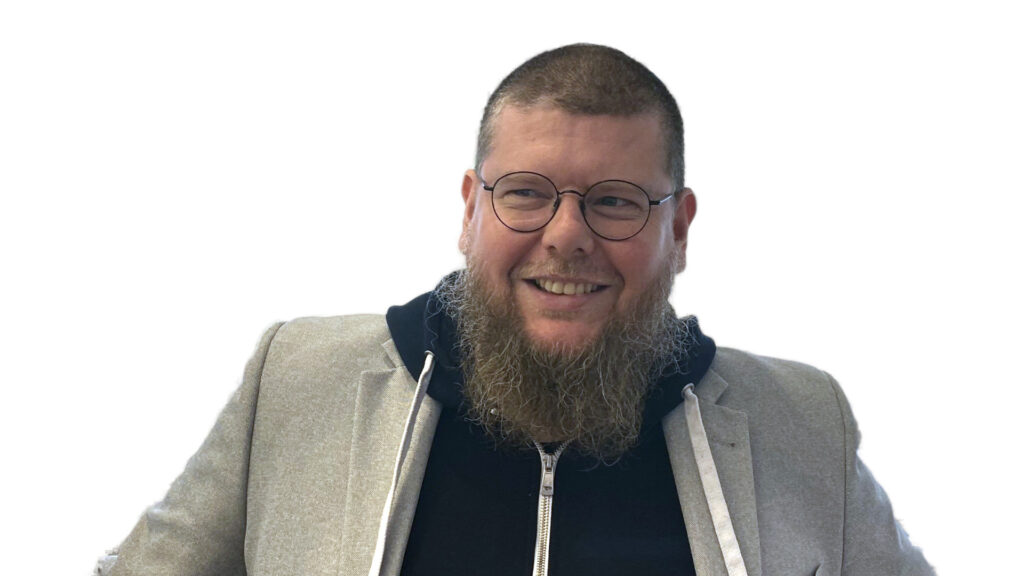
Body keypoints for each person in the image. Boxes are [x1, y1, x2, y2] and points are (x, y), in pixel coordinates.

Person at [96, 44, 933, 576]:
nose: (566, 236)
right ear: (470, 210)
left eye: (614, 201)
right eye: (526, 193)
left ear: (678, 229)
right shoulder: (297, 381)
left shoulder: (802, 422)